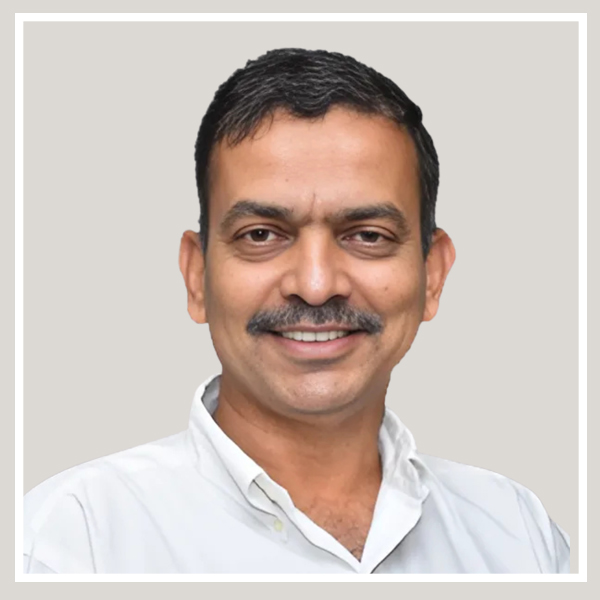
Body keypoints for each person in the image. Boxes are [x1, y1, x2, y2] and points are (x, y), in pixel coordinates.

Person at [23, 48, 570, 574]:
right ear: (196, 275)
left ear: (432, 275)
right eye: (261, 234)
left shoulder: (518, 536)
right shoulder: (72, 543)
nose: (314, 285)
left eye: (367, 235)